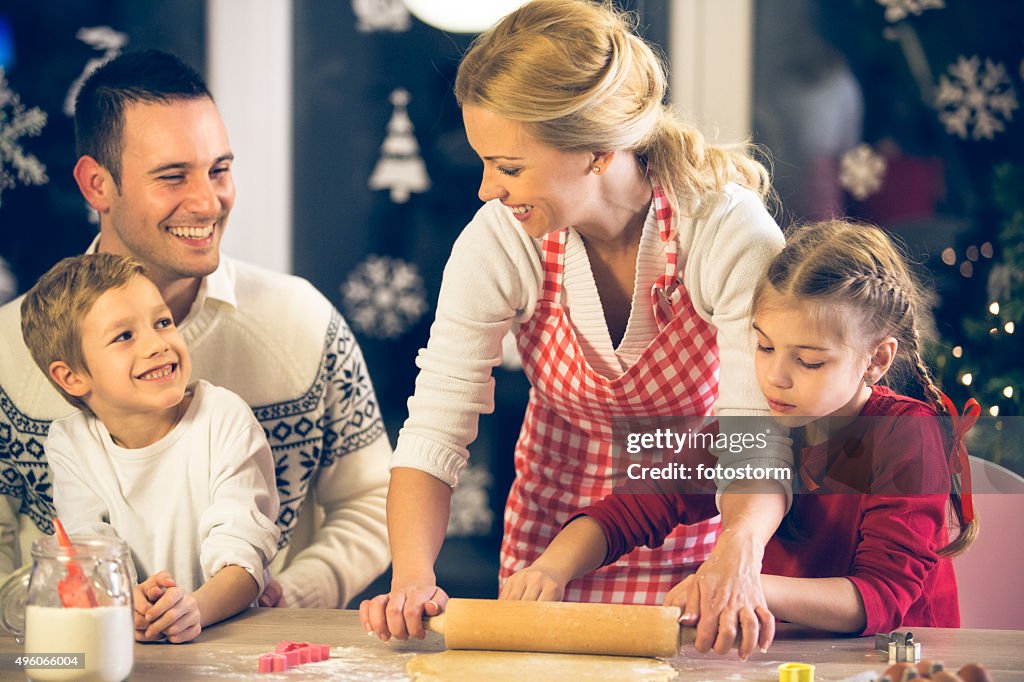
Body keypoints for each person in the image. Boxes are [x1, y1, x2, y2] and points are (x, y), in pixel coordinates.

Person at [360, 0, 793, 659]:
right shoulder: (502, 240)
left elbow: (751, 433)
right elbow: (436, 427)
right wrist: (413, 577)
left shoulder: (724, 229)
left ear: (597, 152)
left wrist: (739, 550)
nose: (486, 189)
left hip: (700, 544)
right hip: (548, 549)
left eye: (508, 166)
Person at [0, 50, 391, 609]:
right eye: (172, 176)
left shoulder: (304, 321)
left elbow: (373, 498)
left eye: (219, 169)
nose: (209, 202)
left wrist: (291, 597)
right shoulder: (6, 351)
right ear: (96, 185)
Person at [508, 220, 977, 635]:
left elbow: (879, 598)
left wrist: (743, 582)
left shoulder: (905, 436)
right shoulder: (756, 427)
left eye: (809, 361)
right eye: (765, 347)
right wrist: (551, 568)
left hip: (903, 660)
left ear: (877, 359)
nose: (776, 377)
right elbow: (631, 510)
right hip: (796, 655)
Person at [21, 253, 280, 643]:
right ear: (71, 377)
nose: (159, 344)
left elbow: (243, 554)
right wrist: (128, 601)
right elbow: (88, 552)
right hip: (128, 648)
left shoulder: (223, 417)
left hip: (226, 639)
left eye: (162, 322)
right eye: (124, 336)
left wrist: (193, 608)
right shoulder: (69, 444)